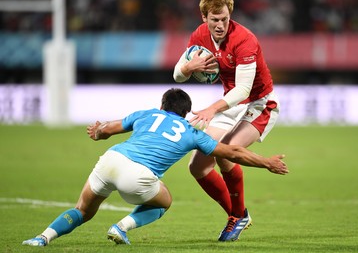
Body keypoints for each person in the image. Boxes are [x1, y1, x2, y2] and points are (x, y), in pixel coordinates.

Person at [22, 88, 288, 247]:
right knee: (164, 201)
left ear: (162, 106)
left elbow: (108, 128)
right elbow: (233, 152)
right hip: (138, 176)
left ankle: (42, 238)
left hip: (110, 160)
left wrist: (98, 132)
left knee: (82, 209)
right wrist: (266, 163)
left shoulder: (146, 114)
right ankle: (121, 227)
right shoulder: (191, 132)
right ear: (186, 113)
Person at [173, 0, 281, 241]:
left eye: (224, 18)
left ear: (229, 14)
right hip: (230, 104)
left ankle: (236, 217)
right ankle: (239, 213)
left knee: (226, 150)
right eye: (215, 20)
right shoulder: (199, 36)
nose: (220, 25)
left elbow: (244, 89)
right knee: (197, 166)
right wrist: (189, 67)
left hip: (259, 104)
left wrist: (212, 108)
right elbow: (177, 75)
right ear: (204, 18)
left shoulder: (245, 39)